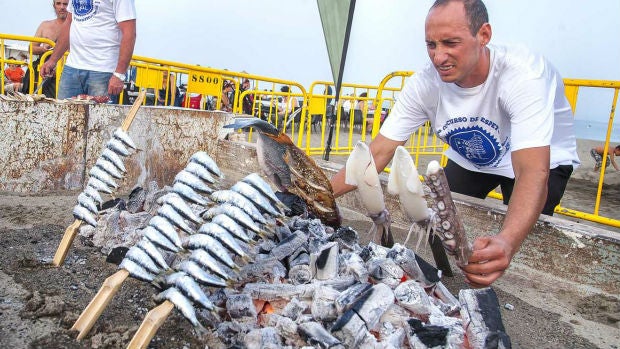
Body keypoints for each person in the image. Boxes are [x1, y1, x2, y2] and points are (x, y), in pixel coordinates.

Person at [330, 0, 580, 288]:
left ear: (484, 35)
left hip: (538, 158)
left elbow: (532, 171)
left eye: (450, 43)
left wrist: (507, 241)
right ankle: (449, 280)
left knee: (523, 235)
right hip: (473, 157)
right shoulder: (425, 83)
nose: (438, 57)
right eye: (431, 45)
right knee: (441, 221)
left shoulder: (522, 75)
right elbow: (378, 151)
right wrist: (320, 197)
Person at [40, 0, 136, 102]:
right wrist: (52, 60)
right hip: (72, 68)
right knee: (64, 115)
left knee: (99, 117)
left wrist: (119, 74)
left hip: (103, 70)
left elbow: (129, 33)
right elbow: (68, 24)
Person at [21, 0, 68, 97]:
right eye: (58, 3)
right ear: (54, 5)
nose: (62, 7)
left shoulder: (76, 27)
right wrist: (44, 49)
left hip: (66, 72)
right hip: (43, 69)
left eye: (65, 4)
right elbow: (31, 48)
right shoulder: (45, 25)